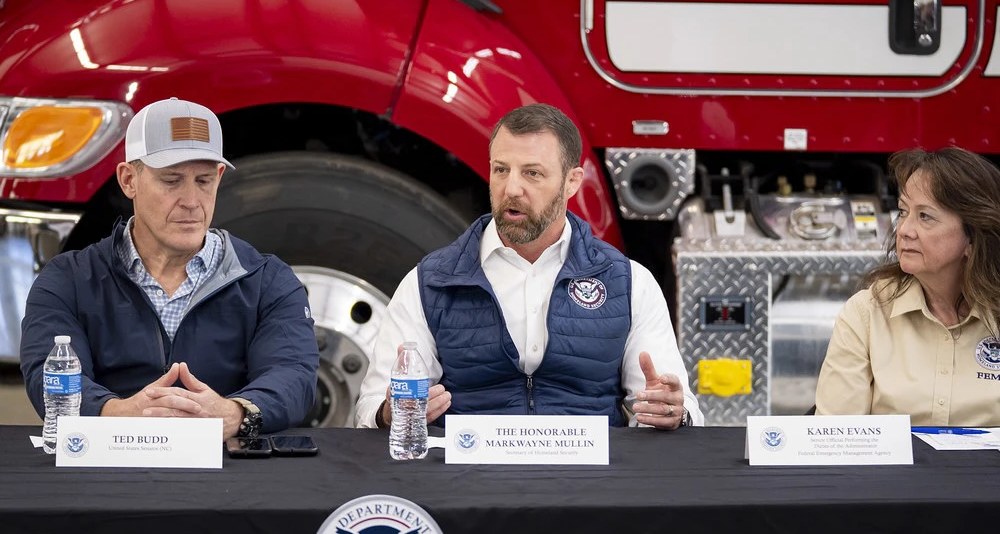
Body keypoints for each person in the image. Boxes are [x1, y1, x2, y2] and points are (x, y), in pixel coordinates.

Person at [354, 103, 702, 430]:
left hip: (591, 483)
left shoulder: (628, 282)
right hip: (467, 482)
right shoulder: (430, 282)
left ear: (572, 182)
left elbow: (679, 407)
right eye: (501, 170)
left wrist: (672, 411)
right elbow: (371, 407)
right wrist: (391, 412)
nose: (512, 188)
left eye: (532, 173)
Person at [20, 98, 319, 439]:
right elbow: (46, 375)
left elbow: (294, 374)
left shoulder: (269, 280)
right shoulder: (67, 280)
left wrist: (234, 413)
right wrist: (115, 414)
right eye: (172, 180)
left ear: (220, 177)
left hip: (229, 478)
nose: (192, 201)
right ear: (129, 179)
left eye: (204, 181)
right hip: (104, 472)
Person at [815, 146, 1000, 425]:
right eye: (903, 212)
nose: (903, 230)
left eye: (925, 216)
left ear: (973, 237)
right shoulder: (867, 314)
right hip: (888, 471)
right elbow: (835, 438)